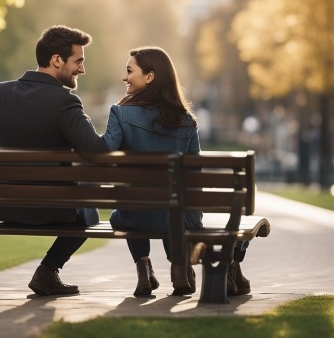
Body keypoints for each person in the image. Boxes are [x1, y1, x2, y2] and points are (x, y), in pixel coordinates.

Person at [102, 46, 249, 297]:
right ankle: (179, 266)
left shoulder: (121, 113)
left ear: (149, 77)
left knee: (129, 208)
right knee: (173, 203)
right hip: (181, 218)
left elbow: (103, 150)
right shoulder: (187, 121)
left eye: (129, 71)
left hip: (136, 217)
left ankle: (142, 268)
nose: (124, 77)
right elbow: (196, 177)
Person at [0, 25, 107, 296]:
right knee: (89, 214)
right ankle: (48, 270)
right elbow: (96, 150)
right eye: (78, 61)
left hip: (1, 208)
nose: (82, 69)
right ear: (57, 60)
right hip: (53, 211)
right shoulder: (65, 102)